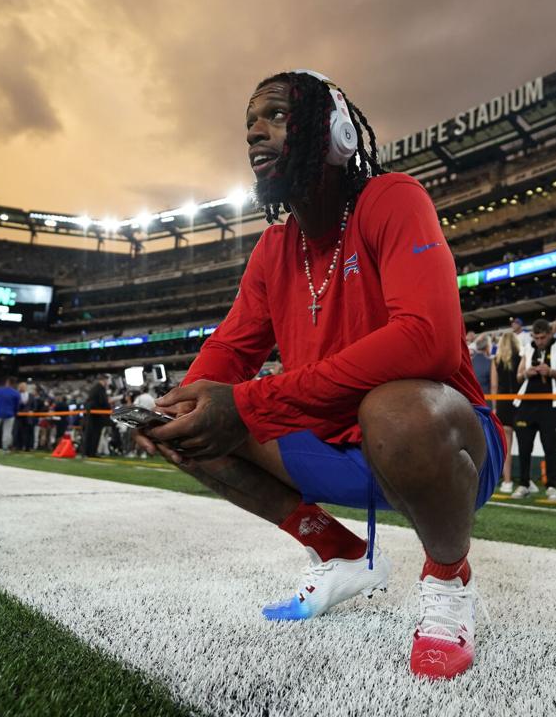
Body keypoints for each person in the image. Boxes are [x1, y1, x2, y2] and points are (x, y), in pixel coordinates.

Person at [136, 70, 505, 680]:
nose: (256, 128)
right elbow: (229, 350)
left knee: (395, 408)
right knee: (192, 426)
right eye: (251, 120)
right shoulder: (274, 248)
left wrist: (252, 403)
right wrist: (178, 406)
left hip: (439, 447)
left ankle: (447, 577)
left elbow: (429, 341)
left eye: (277, 114)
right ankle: (338, 552)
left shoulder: (392, 199)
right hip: (335, 447)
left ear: (333, 131)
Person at [512, 319, 556, 499]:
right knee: (524, 447)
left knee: (550, 447)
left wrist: (551, 372)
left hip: (550, 405)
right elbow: (518, 376)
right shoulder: (528, 348)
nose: (539, 341)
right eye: (536, 337)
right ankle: (524, 483)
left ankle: (551, 486)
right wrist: (526, 373)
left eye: (543, 337)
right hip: (526, 404)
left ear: (550, 334)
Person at [490, 331, 519, 494]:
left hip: (502, 403)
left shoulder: (496, 360)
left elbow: (494, 386)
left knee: (506, 446)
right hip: (519, 402)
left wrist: (494, 406)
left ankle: (507, 481)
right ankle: (525, 480)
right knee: (524, 443)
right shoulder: (521, 357)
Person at [0, 377, 22, 454]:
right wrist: (14, 412)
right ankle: (5, 448)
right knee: (7, 432)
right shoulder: (16, 393)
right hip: (10, 413)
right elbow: (17, 406)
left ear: (7, 382)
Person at [82, 375, 114, 458]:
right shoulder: (100, 388)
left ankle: (87, 452)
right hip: (96, 415)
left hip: (91, 414)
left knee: (90, 433)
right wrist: (109, 409)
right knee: (95, 434)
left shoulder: (95, 388)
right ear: (104, 380)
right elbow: (103, 402)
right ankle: (91, 453)